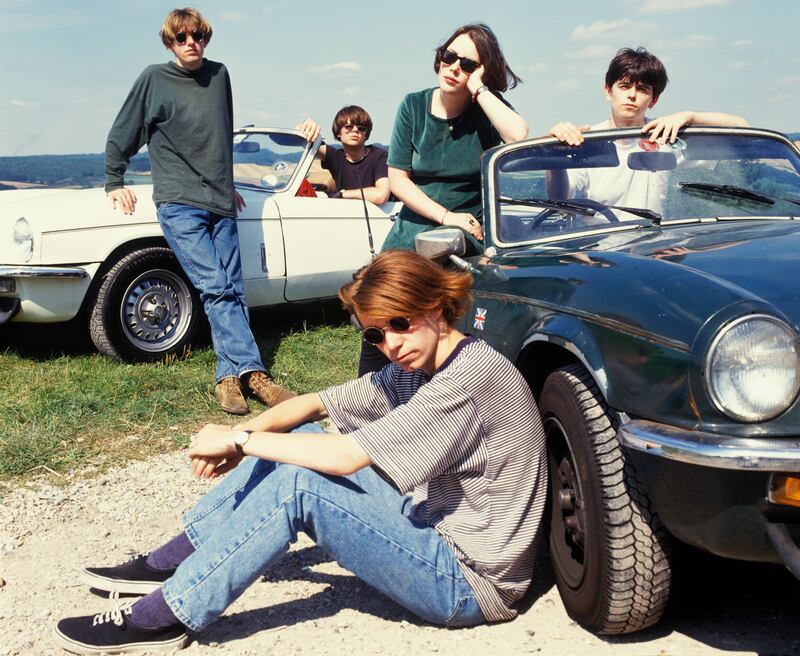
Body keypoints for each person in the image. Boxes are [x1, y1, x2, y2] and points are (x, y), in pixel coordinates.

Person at [54, 250, 548, 654]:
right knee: (301, 444)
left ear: (438, 307)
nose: (390, 344)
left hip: (471, 583)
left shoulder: (470, 378)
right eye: (375, 334)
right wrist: (248, 434)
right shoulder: (425, 364)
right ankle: (170, 561)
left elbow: (346, 458)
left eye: (400, 322)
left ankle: (164, 617)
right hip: (435, 528)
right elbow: (315, 405)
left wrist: (239, 440)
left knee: (300, 481)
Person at [103, 7, 294, 415]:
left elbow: (220, 133)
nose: (192, 44)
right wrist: (114, 182)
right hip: (179, 202)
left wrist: (228, 181)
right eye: (182, 38)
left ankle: (229, 380)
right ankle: (256, 376)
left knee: (234, 289)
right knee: (216, 287)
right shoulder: (154, 79)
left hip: (222, 200)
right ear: (169, 42)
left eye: (199, 37)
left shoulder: (219, 74)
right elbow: (123, 133)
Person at [382, 23, 528, 252]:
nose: (454, 68)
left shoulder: (485, 108)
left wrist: (479, 89)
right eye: (450, 57)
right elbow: (398, 180)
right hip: (413, 226)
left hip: (465, 230)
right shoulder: (412, 105)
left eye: (468, 65)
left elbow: (517, 136)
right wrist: (445, 216)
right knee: (381, 280)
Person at [546, 47, 749, 208]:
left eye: (642, 89)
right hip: (598, 252)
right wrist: (556, 156)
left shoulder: (664, 137)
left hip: (652, 247)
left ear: (653, 100)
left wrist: (689, 116)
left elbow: (742, 127)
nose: (632, 95)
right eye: (624, 87)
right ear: (608, 91)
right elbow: (560, 197)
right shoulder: (587, 143)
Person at [298, 106, 390, 204]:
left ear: (366, 134)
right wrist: (307, 124)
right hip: (345, 213)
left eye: (361, 128)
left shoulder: (380, 156)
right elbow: (301, 138)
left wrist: (342, 194)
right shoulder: (336, 157)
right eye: (349, 126)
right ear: (338, 132)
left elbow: (381, 195)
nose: (355, 130)